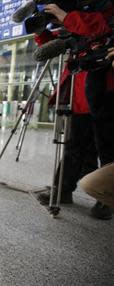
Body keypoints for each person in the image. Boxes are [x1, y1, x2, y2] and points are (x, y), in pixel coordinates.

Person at [43, 1, 113, 219]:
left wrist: (66, 16)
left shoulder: (105, 9)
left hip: (106, 89)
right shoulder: (79, 11)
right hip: (80, 91)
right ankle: (62, 190)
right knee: (74, 145)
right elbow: (60, 43)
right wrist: (44, 29)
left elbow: (99, 26)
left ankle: (106, 200)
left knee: (108, 146)